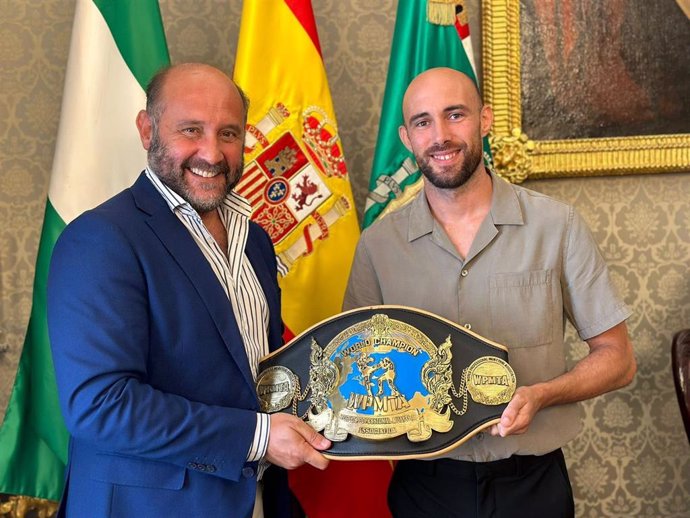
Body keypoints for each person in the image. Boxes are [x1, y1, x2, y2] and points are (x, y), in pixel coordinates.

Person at [343, 67, 636, 518]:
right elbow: (353, 369)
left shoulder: (557, 227)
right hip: (425, 488)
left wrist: (542, 394)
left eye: (455, 114)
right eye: (423, 122)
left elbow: (618, 359)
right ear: (406, 137)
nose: (440, 136)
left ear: (485, 120)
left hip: (532, 483)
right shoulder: (377, 246)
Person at [47, 63, 331, 518]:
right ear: (147, 129)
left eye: (228, 133)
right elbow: (100, 405)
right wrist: (257, 438)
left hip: (258, 499)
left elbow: (257, 376)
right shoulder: (101, 239)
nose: (212, 153)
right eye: (191, 129)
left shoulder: (255, 239)